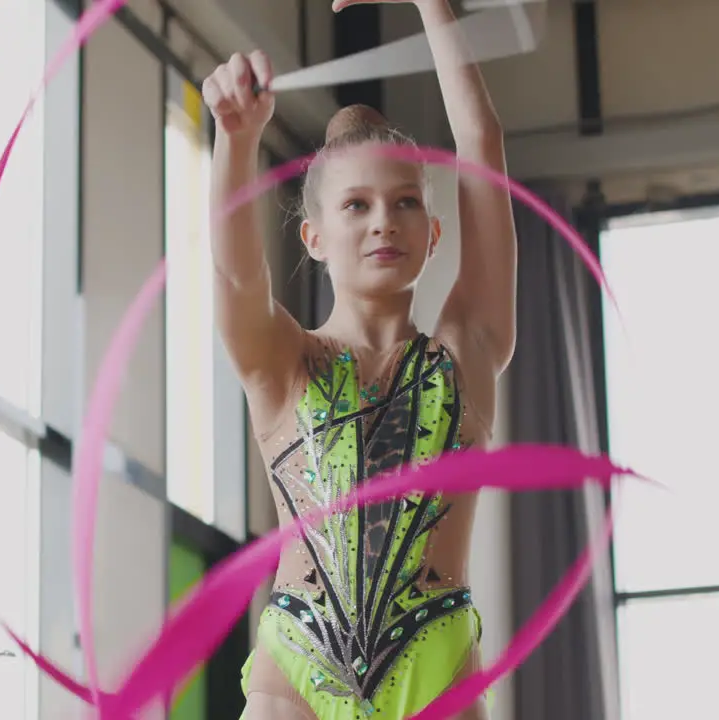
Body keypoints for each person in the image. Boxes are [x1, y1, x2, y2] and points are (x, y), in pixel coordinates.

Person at [200, 0, 517, 717]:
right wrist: (234, 141)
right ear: (312, 236)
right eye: (357, 205)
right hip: (296, 669)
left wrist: (434, 3)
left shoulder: (469, 351)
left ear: (434, 234)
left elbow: (481, 142)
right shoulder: (282, 361)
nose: (384, 220)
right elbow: (237, 278)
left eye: (405, 202)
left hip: (436, 668)